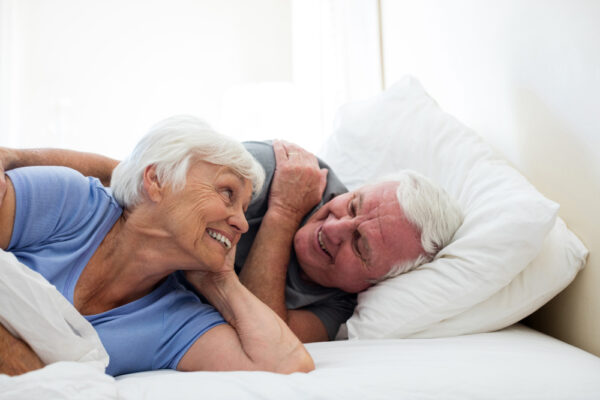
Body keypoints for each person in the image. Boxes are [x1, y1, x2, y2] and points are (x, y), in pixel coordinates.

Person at [0, 137, 463, 344]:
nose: (335, 227)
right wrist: (19, 156)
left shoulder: (334, 306)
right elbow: (143, 175)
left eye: (361, 245)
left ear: (371, 283)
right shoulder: (288, 173)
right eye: (355, 205)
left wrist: (282, 215)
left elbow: (262, 330)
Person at [0, 115, 315, 376]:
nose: (242, 224)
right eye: (227, 193)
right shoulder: (70, 203)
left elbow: (288, 366)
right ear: (157, 180)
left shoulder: (177, 319)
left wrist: (222, 280)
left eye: (245, 210)